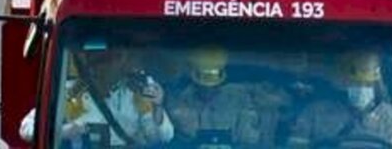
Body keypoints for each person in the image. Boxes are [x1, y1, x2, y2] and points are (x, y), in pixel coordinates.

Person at [20, 50, 175, 147]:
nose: (103, 67)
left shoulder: (135, 94)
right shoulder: (70, 93)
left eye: (116, 60)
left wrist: (158, 108)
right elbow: (26, 129)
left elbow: (163, 137)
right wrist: (63, 131)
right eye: (100, 62)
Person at [167, 46, 288, 147]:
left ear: (221, 81)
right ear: (195, 81)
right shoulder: (183, 99)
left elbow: (280, 101)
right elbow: (178, 138)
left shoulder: (239, 94)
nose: (208, 89)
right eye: (204, 85)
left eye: (213, 85)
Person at [288, 49, 392, 148]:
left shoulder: (390, 117)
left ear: (376, 85)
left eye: (367, 85)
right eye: (356, 83)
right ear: (342, 83)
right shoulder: (315, 113)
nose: (361, 90)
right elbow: (296, 144)